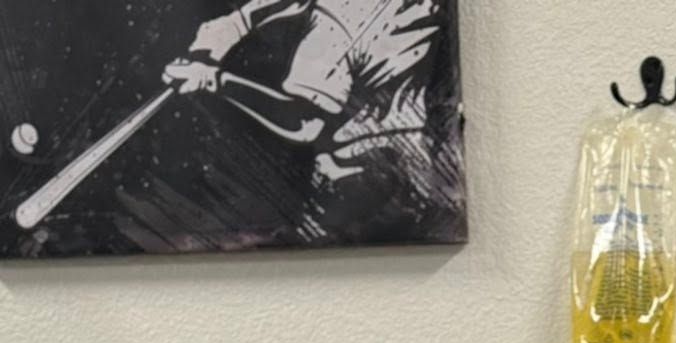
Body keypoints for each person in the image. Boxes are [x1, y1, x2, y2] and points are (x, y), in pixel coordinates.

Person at [161, 0, 462, 240]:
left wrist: (213, 80)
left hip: (359, 190)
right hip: (425, 184)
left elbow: (304, 123)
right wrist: (234, 24)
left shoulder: (345, 17)